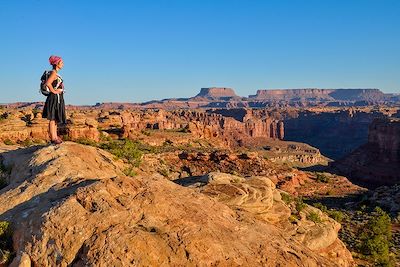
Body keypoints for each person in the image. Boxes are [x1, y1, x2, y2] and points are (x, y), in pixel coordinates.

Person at [42, 55, 66, 144]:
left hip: (57, 98)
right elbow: (48, 83)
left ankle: (55, 136)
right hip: (54, 98)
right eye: (62, 62)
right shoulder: (53, 73)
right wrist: (54, 92)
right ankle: (53, 138)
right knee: (52, 119)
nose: (63, 64)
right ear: (57, 63)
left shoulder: (55, 72)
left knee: (55, 118)